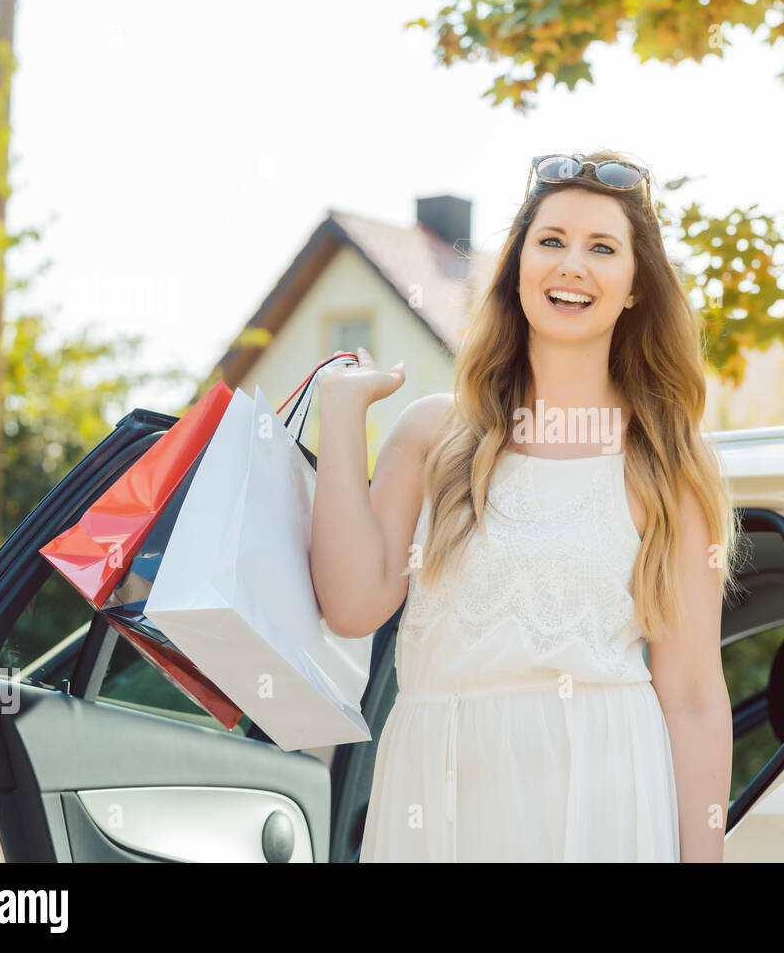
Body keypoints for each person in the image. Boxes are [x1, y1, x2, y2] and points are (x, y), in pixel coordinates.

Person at [310, 149, 743, 862]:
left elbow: (694, 696)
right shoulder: (433, 434)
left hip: (599, 801)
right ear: (516, 268)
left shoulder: (667, 460)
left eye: (602, 248)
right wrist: (341, 415)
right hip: (434, 796)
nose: (572, 264)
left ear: (635, 287)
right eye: (551, 241)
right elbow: (352, 605)